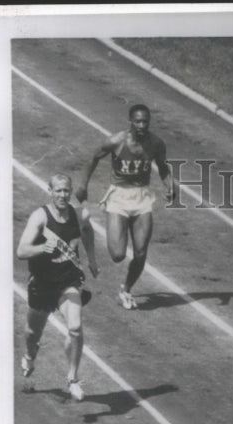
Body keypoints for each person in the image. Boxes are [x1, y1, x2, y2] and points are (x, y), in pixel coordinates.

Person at [75, 104, 176, 310]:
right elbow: (94, 158)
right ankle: (86, 234)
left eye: (145, 121)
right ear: (130, 121)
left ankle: (126, 290)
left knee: (140, 252)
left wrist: (170, 185)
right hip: (119, 197)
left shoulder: (156, 143)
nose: (142, 125)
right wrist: (83, 185)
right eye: (138, 121)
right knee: (118, 255)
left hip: (142, 198)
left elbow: (163, 166)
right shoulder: (116, 141)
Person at [16, 172, 98, 400]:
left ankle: (72, 378)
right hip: (42, 284)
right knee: (33, 334)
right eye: (58, 191)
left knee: (75, 328)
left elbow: (88, 232)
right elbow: (21, 251)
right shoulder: (39, 218)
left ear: (71, 192)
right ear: (50, 191)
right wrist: (43, 248)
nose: (62, 195)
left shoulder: (79, 215)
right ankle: (30, 357)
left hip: (68, 282)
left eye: (66, 190)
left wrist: (91, 259)